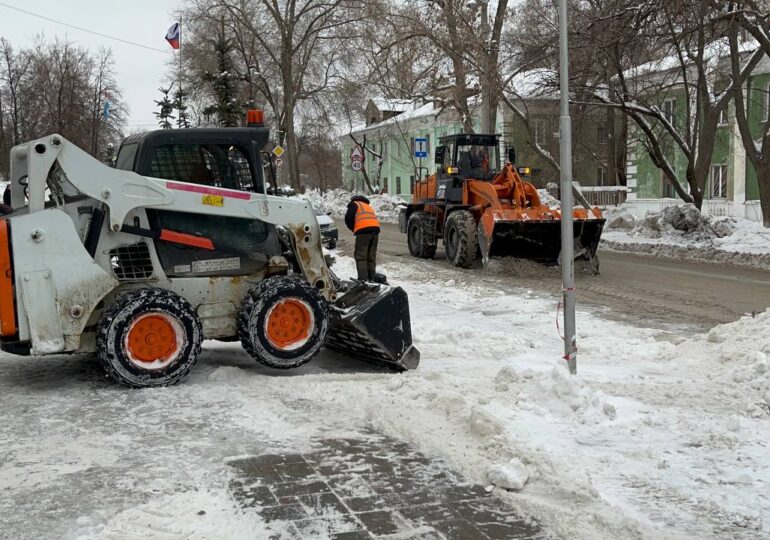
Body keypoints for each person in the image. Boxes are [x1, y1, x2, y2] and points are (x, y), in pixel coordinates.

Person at [345, 195, 380, 281]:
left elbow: (348, 218)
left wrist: (354, 229)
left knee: (361, 256)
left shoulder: (354, 204)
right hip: (375, 231)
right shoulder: (367, 206)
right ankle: (371, 278)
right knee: (371, 256)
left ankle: (363, 279)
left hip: (363, 232)